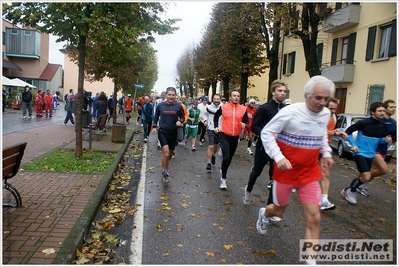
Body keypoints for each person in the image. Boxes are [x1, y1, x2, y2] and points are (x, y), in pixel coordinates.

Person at [256, 76, 335, 265]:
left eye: (326, 99)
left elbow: (322, 134)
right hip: (286, 172)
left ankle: (310, 261)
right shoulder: (290, 112)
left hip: (309, 174)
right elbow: (266, 132)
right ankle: (264, 214)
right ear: (307, 96)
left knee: (315, 218)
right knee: (278, 211)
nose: (322, 103)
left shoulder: (325, 114)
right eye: (318, 98)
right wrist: (279, 157)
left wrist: (326, 153)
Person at [242, 79, 287, 204]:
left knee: (275, 176)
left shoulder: (286, 110)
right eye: (279, 91)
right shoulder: (264, 108)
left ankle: (269, 208)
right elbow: (254, 126)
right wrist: (268, 135)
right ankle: (248, 190)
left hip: (279, 149)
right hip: (264, 147)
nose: (282, 93)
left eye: (284, 91)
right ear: (273, 92)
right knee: (256, 171)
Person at [341, 102, 392, 204]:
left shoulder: (383, 125)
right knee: (366, 177)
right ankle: (351, 191)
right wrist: (353, 144)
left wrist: (385, 140)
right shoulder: (363, 123)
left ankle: (347, 190)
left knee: (361, 176)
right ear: (373, 112)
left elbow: (379, 140)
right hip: (359, 153)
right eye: (380, 111)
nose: (382, 113)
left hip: (371, 154)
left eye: (383, 111)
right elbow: (348, 132)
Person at [357, 99, 397, 197]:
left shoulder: (393, 122)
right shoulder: (378, 120)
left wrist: (391, 140)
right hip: (374, 149)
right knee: (383, 169)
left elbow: (394, 138)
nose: (394, 109)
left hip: (384, 148)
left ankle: (361, 185)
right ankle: (356, 185)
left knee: (373, 170)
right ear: (385, 108)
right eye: (391, 107)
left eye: (395, 107)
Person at [213, 89, 249, 190]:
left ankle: (223, 170)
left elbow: (246, 121)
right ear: (230, 97)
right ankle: (223, 179)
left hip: (235, 137)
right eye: (234, 96)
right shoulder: (224, 107)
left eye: (238, 96)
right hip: (224, 135)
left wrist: (244, 124)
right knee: (226, 157)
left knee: (229, 159)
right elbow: (216, 116)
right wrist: (216, 126)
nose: (236, 97)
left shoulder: (243, 108)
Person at [319, 98, 347, 211]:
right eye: (331, 108)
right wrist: (334, 132)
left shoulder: (334, 117)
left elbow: (332, 130)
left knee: (326, 174)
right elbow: (319, 130)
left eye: (335, 109)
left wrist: (339, 132)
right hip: (312, 148)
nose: (333, 111)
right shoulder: (319, 116)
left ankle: (324, 200)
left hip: (324, 149)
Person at [152, 87, 185, 183]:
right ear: (166, 95)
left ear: (175, 96)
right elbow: (156, 116)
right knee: (166, 153)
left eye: (173, 95)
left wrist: (180, 121)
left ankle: (164, 163)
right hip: (163, 132)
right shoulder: (161, 105)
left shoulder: (179, 106)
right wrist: (154, 127)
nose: (171, 97)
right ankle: (165, 172)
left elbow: (182, 117)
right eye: (169, 95)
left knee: (169, 154)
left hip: (173, 132)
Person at [203, 93, 222, 171]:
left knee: (216, 145)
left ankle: (213, 155)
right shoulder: (208, 107)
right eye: (215, 99)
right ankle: (208, 163)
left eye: (217, 99)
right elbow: (205, 115)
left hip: (220, 129)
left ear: (220, 99)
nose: (216, 100)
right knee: (211, 146)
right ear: (212, 99)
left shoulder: (223, 107)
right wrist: (205, 121)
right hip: (211, 128)